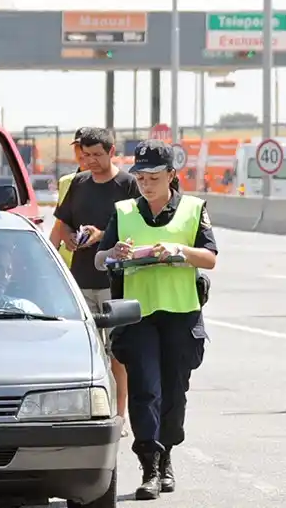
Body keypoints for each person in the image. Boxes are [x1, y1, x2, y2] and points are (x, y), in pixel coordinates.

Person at [94, 139, 218, 500]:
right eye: (141, 177)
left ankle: (167, 459)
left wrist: (179, 250)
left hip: (181, 314)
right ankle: (149, 465)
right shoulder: (124, 211)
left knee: (174, 392)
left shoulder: (194, 209)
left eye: (153, 177)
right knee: (145, 389)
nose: (145, 184)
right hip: (138, 315)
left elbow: (210, 258)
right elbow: (101, 260)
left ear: (171, 176)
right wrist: (112, 253)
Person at [52, 127, 141, 433]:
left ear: (111, 151)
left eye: (96, 155)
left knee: (117, 351)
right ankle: (91, 411)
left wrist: (103, 236)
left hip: (114, 281)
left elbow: (137, 231)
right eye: (85, 155)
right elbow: (62, 225)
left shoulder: (128, 185)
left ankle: (120, 414)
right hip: (80, 280)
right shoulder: (77, 183)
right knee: (86, 349)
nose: (90, 160)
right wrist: (70, 239)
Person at [49, 127, 90, 266]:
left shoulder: (113, 182)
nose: (82, 152)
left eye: (87, 147)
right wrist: (49, 260)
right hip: (69, 264)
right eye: (78, 147)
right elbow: (59, 225)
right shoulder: (66, 182)